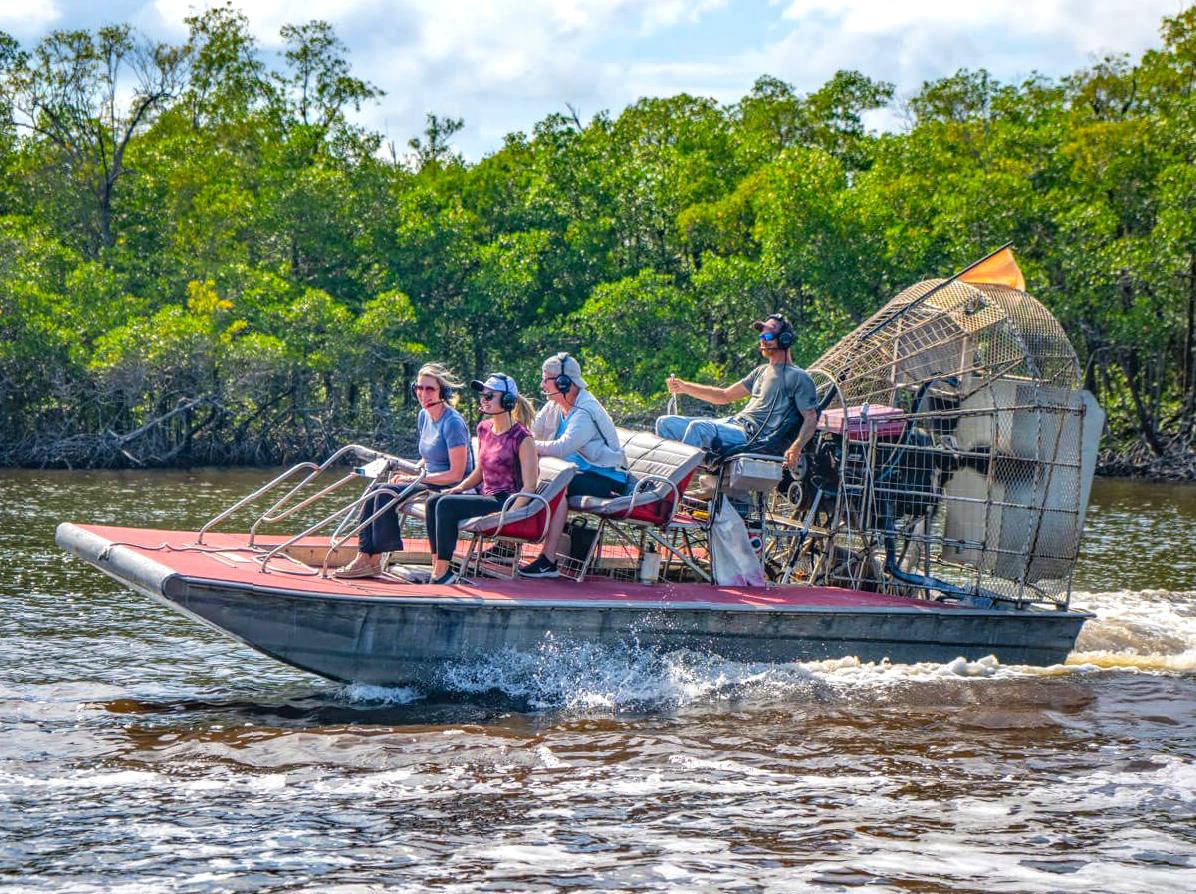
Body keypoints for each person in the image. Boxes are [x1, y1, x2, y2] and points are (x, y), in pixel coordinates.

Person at [334, 363, 473, 579]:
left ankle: (369, 558)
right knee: (377, 491)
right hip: (428, 478)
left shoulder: (453, 423)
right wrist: (417, 469)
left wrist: (414, 479)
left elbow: (457, 474)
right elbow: (429, 456)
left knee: (385, 493)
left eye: (429, 389)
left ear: (442, 392)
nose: (423, 394)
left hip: (452, 485)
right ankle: (367, 558)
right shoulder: (424, 416)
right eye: (419, 388)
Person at [655, 313, 819, 470]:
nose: (762, 341)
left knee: (699, 428)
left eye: (768, 337)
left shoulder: (798, 377)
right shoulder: (760, 372)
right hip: (733, 422)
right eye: (761, 337)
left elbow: (811, 417)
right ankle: (664, 480)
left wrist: (796, 447)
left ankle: (672, 488)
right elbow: (724, 396)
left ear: (784, 340)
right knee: (665, 423)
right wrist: (684, 387)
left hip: (750, 434)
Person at [519, 352, 628, 579]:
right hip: (575, 473)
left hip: (606, 479)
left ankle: (548, 561)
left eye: (545, 379)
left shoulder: (585, 410)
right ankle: (510, 546)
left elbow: (562, 448)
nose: (541, 384)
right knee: (524, 473)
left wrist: (526, 446)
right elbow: (532, 433)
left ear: (563, 382)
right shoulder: (555, 405)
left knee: (558, 485)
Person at [423, 373, 539, 585]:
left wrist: (511, 514)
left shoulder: (523, 437)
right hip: (487, 496)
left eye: (489, 396)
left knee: (446, 506)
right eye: (482, 395)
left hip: (506, 501)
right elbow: (480, 472)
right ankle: (438, 569)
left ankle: (442, 573)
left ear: (507, 401)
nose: (483, 399)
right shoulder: (484, 428)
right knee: (434, 501)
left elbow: (531, 484)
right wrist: (458, 488)